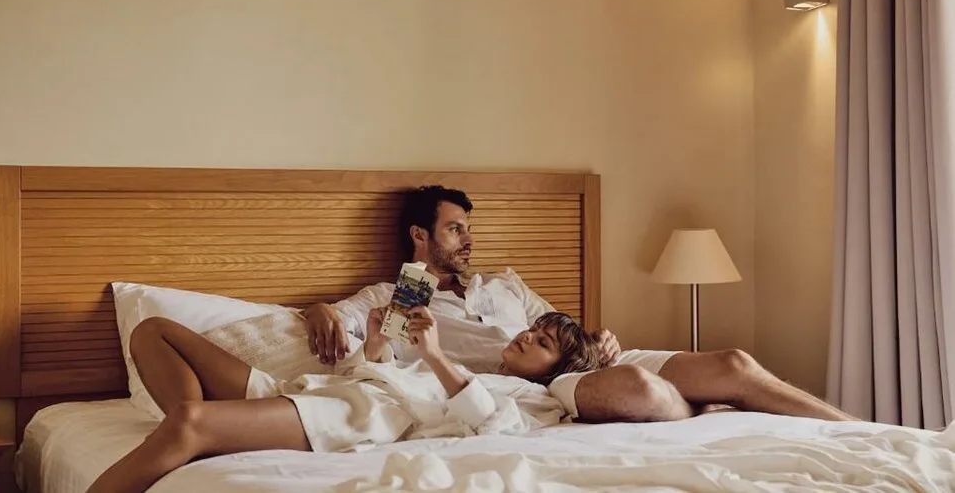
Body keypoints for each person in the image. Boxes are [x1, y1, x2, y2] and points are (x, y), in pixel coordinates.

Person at [305, 185, 857, 423]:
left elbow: (562, 330)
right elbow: (355, 336)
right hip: (534, 387)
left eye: (468, 228)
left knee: (734, 363)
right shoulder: (396, 296)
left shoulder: (505, 285)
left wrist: (600, 340)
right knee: (639, 388)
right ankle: (700, 409)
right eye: (455, 230)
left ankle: (863, 430)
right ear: (420, 236)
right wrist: (318, 311)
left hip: (581, 362)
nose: (468, 240)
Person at [86, 306, 601, 493]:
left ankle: (194, 434)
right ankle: (200, 437)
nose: (528, 336)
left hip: (346, 417)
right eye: (533, 329)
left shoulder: (536, 398)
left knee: (188, 421)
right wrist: (375, 344)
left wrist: (435, 355)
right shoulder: (479, 370)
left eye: (543, 342)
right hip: (312, 392)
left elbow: (494, 429)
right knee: (154, 332)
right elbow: (370, 377)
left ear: (556, 368)